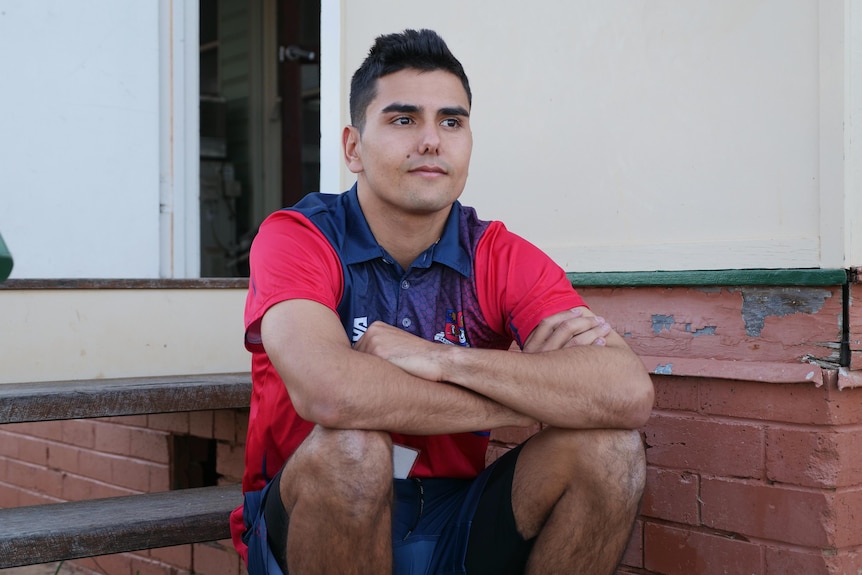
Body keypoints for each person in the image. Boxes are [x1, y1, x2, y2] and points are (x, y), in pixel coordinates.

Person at [229, 28, 654, 575]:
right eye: (403, 119)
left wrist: (441, 358)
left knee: (610, 451)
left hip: (457, 514)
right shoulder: (300, 237)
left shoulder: (495, 253)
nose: (431, 140)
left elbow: (626, 391)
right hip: (312, 512)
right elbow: (329, 395)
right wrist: (537, 394)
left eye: (451, 121)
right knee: (354, 449)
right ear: (353, 148)